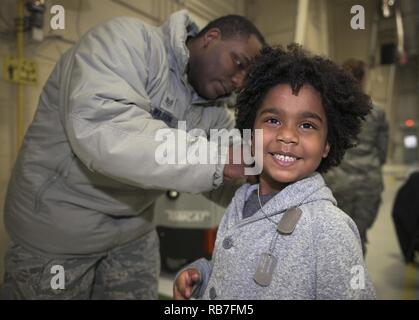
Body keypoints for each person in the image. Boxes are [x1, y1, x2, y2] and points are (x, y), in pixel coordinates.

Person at [1, 11, 265, 299]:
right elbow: (105, 130)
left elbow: (234, 174)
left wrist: (277, 194)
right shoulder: (128, 42)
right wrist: (219, 159)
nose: (239, 81)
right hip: (57, 232)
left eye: (246, 79)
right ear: (211, 38)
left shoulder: (215, 110)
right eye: (238, 64)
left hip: (133, 232)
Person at [173, 45, 376, 300]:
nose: (287, 136)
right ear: (250, 128)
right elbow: (241, 269)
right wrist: (204, 275)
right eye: (272, 120)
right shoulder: (243, 199)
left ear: (326, 145)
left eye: (306, 125)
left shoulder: (330, 230)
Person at [324, 59, 389, 255]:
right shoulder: (377, 111)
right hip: (368, 183)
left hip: (337, 181)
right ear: (363, 78)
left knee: (334, 237)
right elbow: (383, 150)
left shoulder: (332, 108)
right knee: (358, 237)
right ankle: (355, 282)